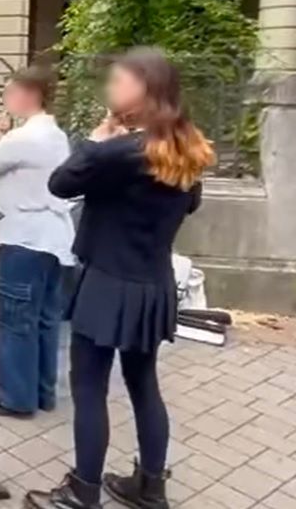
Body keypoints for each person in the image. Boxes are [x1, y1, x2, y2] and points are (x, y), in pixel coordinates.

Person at [26, 48, 213, 509]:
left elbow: (61, 184)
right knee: (143, 383)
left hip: (108, 284)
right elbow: (189, 205)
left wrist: (95, 140)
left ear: (145, 89)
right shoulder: (185, 147)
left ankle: (82, 492)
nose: (110, 87)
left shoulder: (122, 152)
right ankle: (151, 488)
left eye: (118, 80)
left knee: (89, 387)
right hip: (152, 284)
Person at [0, 67, 74, 418]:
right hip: (53, 241)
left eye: (10, 92)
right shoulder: (54, 133)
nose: (5, 99)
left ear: (30, 95)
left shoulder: (24, 139)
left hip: (25, 237)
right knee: (44, 319)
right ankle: (42, 393)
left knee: (16, 320)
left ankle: (15, 398)